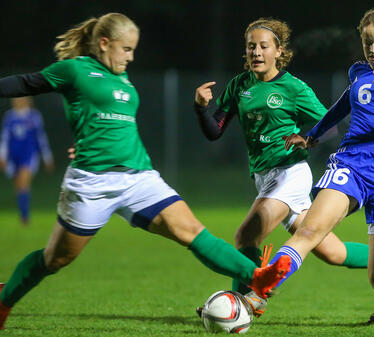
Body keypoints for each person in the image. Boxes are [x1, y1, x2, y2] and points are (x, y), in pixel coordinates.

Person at [0, 13, 290, 330]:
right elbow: (26, 83)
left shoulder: (121, 76)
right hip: (92, 183)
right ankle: (5, 300)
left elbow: (111, 124)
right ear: (104, 43)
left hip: (139, 178)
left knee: (192, 231)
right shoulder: (74, 70)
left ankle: (257, 278)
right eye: (126, 49)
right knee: (55, 259)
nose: (131, 56)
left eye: (133, 49)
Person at [193, 17, 374, 317]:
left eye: (263, 46)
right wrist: (201, 109)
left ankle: (245, 300)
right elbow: (339, 108)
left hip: (303, 173)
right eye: (250, 47)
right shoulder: (241, 85)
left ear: (279, 51)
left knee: (248, 236)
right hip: (308, 169)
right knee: (327, 249)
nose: (255, 52)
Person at [263, 8, 374, 324]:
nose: (373, 50)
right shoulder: (358, 72)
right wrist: (312, 136)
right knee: (310, 230)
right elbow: (342, 106)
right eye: (367, 43)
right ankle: (260, 288)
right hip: (354, 160)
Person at [0, 96, 54, 225]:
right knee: (19, 186)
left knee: (24, 183)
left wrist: (47, 157)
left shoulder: (34, 116)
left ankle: (25, 217)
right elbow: (4, 138)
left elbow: (41, 137)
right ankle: (23, 213)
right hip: (13, 156)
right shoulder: (10, 116)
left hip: (29, 154)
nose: (18, 101)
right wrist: (2, 156)